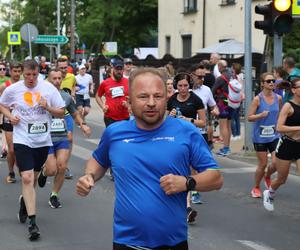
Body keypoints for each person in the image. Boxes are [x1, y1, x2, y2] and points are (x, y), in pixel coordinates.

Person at [76, 67, 223, 250]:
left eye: (158, 96)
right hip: (126, 243)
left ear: (166, 99)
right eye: (143, 96)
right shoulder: (115, 133)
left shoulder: (186, 131)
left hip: (173, 243)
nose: (151, 103)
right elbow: (98, 160)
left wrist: (187, 182)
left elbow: (216, 178)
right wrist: (89, 176)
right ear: (130, 102)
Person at [0, 60, 65, 241]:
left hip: (42, 140)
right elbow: (2, 104)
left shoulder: (48, 88)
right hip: (22, 139)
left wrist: (47, 107)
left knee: (34, 178)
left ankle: (24, 203)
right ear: (22, 73)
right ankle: (32, 223)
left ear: (38, 73)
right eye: (27, 75)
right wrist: (10, 116)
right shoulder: (13, 89)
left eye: (34, 75)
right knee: (27, 177)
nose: (30, 79)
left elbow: (61, 112)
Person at [38, 68, 91, 208]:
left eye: (59, 78)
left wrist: (83, 124)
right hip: (46, 138)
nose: (57, 81)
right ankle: (44, 172)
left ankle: (54, 195)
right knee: (51, 170)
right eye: (53, 78)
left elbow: (74, 114)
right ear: (48, 79)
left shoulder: (66, 97)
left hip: (61, 137)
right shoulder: (41, 96)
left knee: (62, 166)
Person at [167, 72, 206, 222]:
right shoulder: (171, 100)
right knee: (182, 169)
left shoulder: (196, 100)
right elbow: (164, 121)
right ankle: (186, 206)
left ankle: (187, 203)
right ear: (176, 87)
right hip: (175, 138)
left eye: (185, 86)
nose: (183, 89)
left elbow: (203, 122)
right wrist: (170, 116)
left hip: (190, 138)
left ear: (189, 86)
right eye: (180, 86)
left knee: (189, 169)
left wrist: (189, 120)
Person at [263, 78, 300, 212]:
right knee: (282, 179)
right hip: (287, 145)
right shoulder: (288, 106)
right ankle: (270, 193)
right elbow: (279, 127)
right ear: (294, 90)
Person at [248, 72, 282, 198]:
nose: (272, 83)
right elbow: (249, 117)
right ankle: (256, 187)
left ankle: (267, 176)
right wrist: (260, 115)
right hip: (260, 137)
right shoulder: (258, 99)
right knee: (262, 164)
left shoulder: (278, 98)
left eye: (273, 80)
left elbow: (279, 114)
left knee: (276, 162)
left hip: (274, 135)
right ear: (262, 84)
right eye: (268, 81)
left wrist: (279, 126)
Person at [0, 61, 23, 183]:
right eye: (15, 71)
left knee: (22, 148)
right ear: (10, 71)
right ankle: (11, 172)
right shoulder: (5, 86)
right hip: (9, 120)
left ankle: (23, 168)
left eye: (19, 71)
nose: (17, 74)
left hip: (22, 121)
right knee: (12, 149)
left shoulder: (24, 85)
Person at [57, 57, 77, 179]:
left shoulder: (71, 77)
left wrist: (73, 95)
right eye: (61, 68)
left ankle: (65, 165)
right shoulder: (51, 79)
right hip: (54, 115)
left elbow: (73, 86)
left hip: (67, 113)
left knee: (69, 139)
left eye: (65, 67)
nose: (64, 70)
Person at [96, 58, 130, 127]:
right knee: (113, 137)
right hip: (110, 118)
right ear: (113, 69)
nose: (119, 71)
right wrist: (103, 106)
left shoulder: (128, 82)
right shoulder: (105, 83)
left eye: (121, 69)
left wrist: (129, 104)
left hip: (125, 117)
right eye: (117, 69)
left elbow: (134, 96)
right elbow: (98, 96)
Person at [212, 60, 234, 156]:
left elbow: (213, 91)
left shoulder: (221, 78)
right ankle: (227, 147)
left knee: (223, 126)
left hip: (222, 104)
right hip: (232, 104)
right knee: (228, 126)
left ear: (220, 67)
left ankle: (225, 148)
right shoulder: (232, 76)